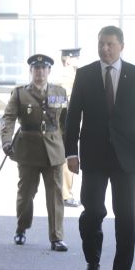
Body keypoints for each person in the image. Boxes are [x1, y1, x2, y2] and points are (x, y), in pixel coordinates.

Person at [64, 25, 135, 270]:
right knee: (92, 213)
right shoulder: (85, 75)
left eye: (110, 44)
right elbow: (73, 117)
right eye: (101, 44)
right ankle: (93, 264)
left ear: (121, 46)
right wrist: (71, 152)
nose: (105, 48)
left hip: (127, 157)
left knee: (125, 217)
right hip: (93, 156)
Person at [0, 54, 69, 251]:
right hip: (28, 151)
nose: (40, 72)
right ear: (31, 71)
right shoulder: (20, 94)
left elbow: (66, 121)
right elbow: (8, 118)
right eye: (36, 68)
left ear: (49, 71)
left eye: (43, 68)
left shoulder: (59, 92)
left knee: (55, 196)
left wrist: (68, 147)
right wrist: (6, 141)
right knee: (26, 194)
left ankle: (56, 237)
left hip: (53, 151)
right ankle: (21, 228)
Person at [59, 48, 81, 208]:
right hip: (64, 125)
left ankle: (65, 193)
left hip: (67, 124)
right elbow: (62, 103)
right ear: (67, 60)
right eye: (75, 58)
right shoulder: (66, 77)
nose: (78, 60)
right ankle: (65, 195)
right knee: (66, 159)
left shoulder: (74, 75)